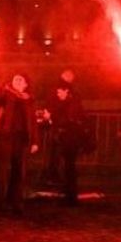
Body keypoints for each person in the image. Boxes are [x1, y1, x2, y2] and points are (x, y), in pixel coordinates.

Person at [0, 65, 39, 216]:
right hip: (4, 137)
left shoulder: (29, 100)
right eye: (15, 78)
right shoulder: (6, 94)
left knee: (18, 173)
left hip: (21, 140)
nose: (16, 81)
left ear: (25, 84)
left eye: (20, 79)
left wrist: (35, 141)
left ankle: (15, 202)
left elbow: (32, 122)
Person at [43, 69, 86, 206]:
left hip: (69, 135)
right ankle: (67, 193)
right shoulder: (72, 97)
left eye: (60, 92)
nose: (58, 93)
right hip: (66, 134)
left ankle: (70, 196)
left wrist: (51, 117)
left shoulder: (72, 99)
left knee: (68, 165)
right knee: (66, 165)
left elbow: (67, 118)